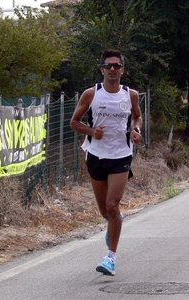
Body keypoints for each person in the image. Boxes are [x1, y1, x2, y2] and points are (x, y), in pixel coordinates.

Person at [70, 49, 142, 276]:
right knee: (105, 210)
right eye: (108, 66)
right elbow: (74, 122)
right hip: (96, 155)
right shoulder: (91, 94)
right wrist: (92, 131)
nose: (112, 69)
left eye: (116, 66)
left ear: (123, 69)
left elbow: (137, 116)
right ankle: (114, 223)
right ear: (101, 69)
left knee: (113, 205)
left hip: (121, 155)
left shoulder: (131, 95)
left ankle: (110, 257)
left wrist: (136, 129)